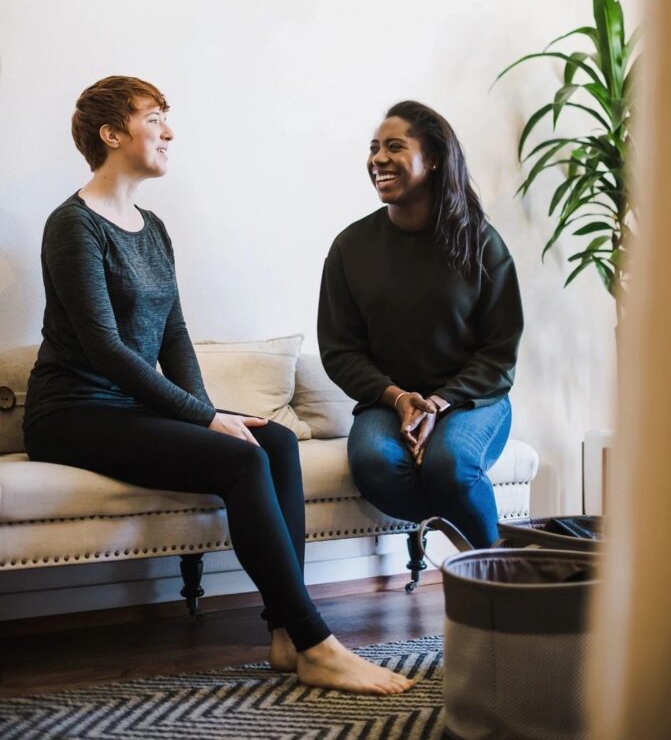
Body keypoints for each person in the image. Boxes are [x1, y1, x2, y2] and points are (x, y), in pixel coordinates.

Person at [23, 76, 413, 695]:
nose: (169, 132)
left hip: (126, 405)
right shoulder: (71, 226)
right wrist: (205, 421)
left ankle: (286, 635)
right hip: (72, 412)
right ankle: (317, 643)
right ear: (111, 133)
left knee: (275, 442)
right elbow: (107, 349)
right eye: (155, 119)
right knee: (238, 457)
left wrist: (206, 410)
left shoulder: (151, 228)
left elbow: (173, 335)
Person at [317, 100, 523, 549]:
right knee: (375, 463)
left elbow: (500, 351)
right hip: (387, 403)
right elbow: (340, 351)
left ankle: (496, 581)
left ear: (431, 159)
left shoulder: (480, 243)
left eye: (394, 147)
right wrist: (400, 399)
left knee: (450, 465)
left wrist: (438, 403)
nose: (377, 159)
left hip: (472, 401)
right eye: (374, 149)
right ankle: (494, 559)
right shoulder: (351, 248)